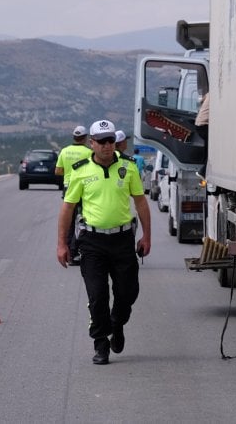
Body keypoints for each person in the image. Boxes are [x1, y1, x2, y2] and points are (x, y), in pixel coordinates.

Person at [57, 119, 151, 365]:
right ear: (92, 144)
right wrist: (62, 244)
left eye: (111, 141)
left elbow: (141, 202)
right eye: (102, 142)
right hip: (92, 241)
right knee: (97, 295)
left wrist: (147, 236)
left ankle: (117, 323)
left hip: (122, 240)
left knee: (128, 292)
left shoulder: (129, 167)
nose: (108, 146)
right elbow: (67, 208)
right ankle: (100, 343)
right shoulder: (80, 170)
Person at [55, 125, 94, 263]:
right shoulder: (88, 152)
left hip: (68, 188)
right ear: (85, 138)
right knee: (84, 220)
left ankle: (69, 253)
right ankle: (75, 250)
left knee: (70, 221)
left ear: (74, 137)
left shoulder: (64, 151)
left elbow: (58, 171)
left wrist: (69, 173)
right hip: (83, 188)